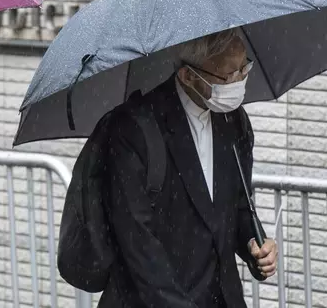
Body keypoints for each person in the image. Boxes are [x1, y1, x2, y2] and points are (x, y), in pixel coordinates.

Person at [97, 29, 278, 307]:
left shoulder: (234, 121)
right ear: (188, 76)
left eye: (245, 67)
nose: (240, 81)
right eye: (229, 76)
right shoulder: (134, 128)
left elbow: (238, 204)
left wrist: (255, 244)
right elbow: (137, 240)